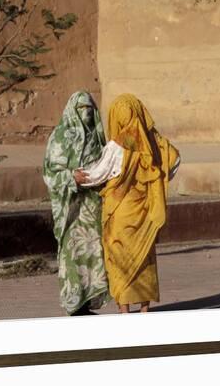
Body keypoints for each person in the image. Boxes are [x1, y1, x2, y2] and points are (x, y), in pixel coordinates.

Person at [75, 93, 180, 313]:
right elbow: (175, 161)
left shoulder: (117, 146)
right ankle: (144, 308)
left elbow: (98, 175)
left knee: (119, 259)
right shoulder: (156, 142)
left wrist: (76, 176)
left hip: (120, 213)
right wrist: (160, 180)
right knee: (144, 258)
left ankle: (124, 310)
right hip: (145, 211)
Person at [43, 91, 110, 316]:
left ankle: (87, 303)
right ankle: (74, 305)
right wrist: (72, 178)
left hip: (92, 207)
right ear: (73, 110)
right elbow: (50, 173)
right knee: (73, 255)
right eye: (82, 109)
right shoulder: (60, 137)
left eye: (90, 108)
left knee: (93, 254)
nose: (87, 113)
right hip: (71, 209)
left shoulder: (97, 136)